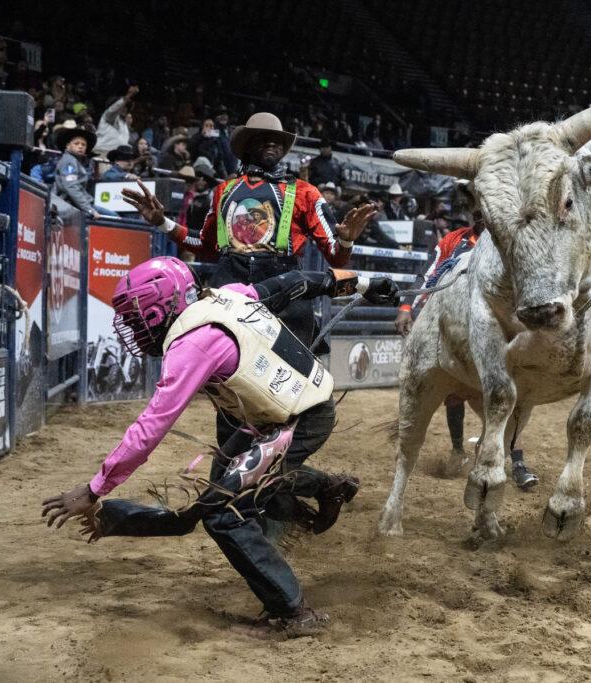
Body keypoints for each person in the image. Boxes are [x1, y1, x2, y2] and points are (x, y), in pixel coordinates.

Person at [42, 256, 400, 636]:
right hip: (285, 412)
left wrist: (95, 487)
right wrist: (360, 284)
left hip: (296, 419)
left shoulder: (190, 346)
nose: (133, 328)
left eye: (137, 319)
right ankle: (325, 487)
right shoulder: (228, 296)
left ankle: (294, 614)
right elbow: (296, 282)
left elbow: (150, 428)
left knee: (223, 512)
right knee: (219, 487)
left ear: (163, 308)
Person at [122, 112, 374, 450]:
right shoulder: (224, 191)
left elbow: (335, 256)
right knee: (231, 390)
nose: (273, 144)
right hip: (232, 297)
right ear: (247, 146)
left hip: (285, 296)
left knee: (286, 391)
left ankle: (273, 471)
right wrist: (164, 223)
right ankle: (234, 464)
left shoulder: (305, 193)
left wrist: (345, 239)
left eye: (279, 141)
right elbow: (205, 245)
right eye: (263, 138)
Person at [394, 208, 539, 490]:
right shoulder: (454, 241)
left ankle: (517, 461)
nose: (481, 215)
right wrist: (406, 308)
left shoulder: (510, 246)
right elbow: (429, 274)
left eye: (486, 210)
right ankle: (459, 450)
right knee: (452, 392)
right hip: (454, 327)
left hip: (497, 330)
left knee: (513, 395)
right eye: (477, 209)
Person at [54, 124, 117, 218]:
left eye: (83, 144)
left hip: (77, 204)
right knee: (115, 218)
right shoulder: (69, 161)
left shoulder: (74, 161)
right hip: (71, 205)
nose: (80, 146)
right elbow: (71, 187)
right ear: (67, 146)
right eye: (76, 143)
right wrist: (89, 209)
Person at [94, 85, 139, 156]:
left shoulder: (124, 124)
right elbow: (114, 108)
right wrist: (129, 95)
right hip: (103, 154)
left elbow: (121, 142)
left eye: (126, 107)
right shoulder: (108, 116)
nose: (125, 108)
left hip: (117, 157)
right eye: (123, 106)